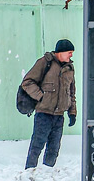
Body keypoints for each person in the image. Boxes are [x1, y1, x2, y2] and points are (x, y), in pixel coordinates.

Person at [21, 39, 77, 170]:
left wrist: (72, 112)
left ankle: (47, 172)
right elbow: (27, 82)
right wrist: (40, 97)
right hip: (43, 114)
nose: (71, 55)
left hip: (59, 115)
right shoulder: (44, 62)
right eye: (69, 52)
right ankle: (30, 171)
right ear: (60, 52)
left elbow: (71, 92)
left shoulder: (70, 68)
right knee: (37, 145)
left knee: (54, 148)